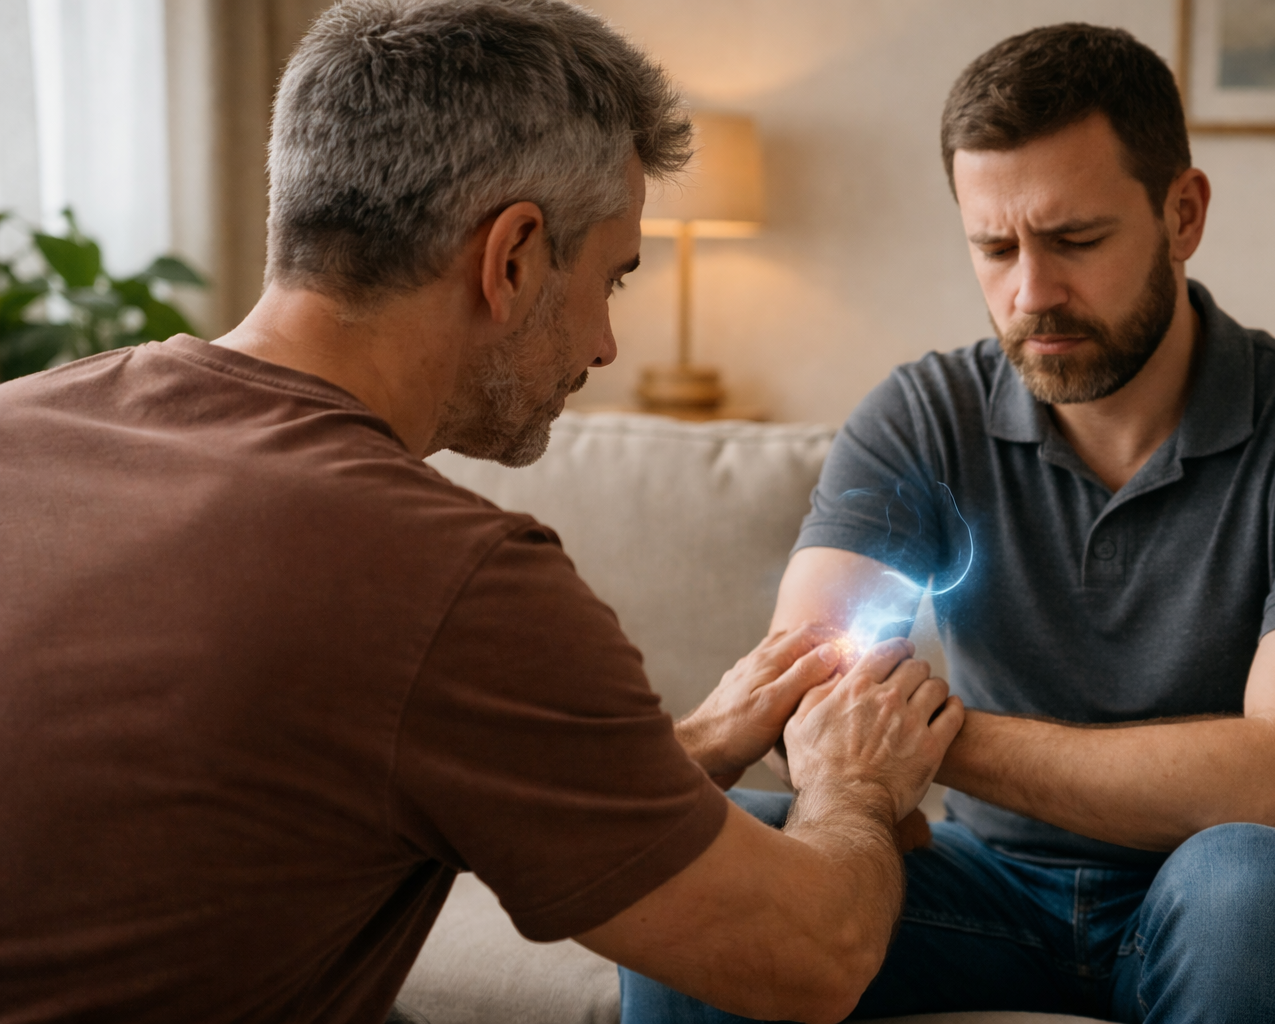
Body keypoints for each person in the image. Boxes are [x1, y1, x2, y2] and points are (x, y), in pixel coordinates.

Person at [0, 2, 964, 1022]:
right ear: (511, 257)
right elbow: (807, 956)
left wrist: (703, 744)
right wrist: (854, 784)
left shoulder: (23, 423)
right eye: (612, 278)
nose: (604, 346)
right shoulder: (448, 579)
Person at [621, 22, 1275, 1024]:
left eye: (1075, 240)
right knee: (709, 856)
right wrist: (849, 753)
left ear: (1182, 214)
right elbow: (810, 702)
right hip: (999, 892)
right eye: (995, 246)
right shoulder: (922, 414)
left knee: (1244, 871)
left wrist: (925, 740)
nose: (1032, 293)